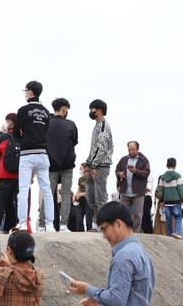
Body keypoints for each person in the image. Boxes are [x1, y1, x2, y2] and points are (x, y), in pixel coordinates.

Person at [14, 81, 54, 233]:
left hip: (27, 153)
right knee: (46, 189)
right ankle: (49, 224)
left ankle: (22, 223)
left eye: (25, 91)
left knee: (23, 189)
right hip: (43, 153)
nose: (25, 93)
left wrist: (23, 136)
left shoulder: (23, 110)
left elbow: (16, 132)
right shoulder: (46, 111)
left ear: (30, 92)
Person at [43, 97, 77, 232]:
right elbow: (74, 142)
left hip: (50, 164)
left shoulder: (47, 124)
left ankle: (44, 224)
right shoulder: (71, 124)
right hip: (67, 165)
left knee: (48, 194)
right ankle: (63, 225)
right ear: (64, 108)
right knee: (66, 194)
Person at [80, 99, 113, 228]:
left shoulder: (103, 125)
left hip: (101, 166)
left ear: (98, 110)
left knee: (100, 197)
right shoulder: (97, 125)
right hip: (93, 166)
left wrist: (93, 165)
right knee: (90, 196)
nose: (91, 112)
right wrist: (88, 164)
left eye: (92, 110)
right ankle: (98, 221)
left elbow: (101, 148)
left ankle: (104, 225)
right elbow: (93, 148)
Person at [113, 141, 149, 232]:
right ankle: (123, 231)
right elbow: (117, 170)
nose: (131, 151)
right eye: (129, 150)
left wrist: (135, 171)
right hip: (125, 191)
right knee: (121, 213)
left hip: (138, 192)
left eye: (133, 149)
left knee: (138, 214)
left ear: (138, 149)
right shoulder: (123, 159)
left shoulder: (144, 160)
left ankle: (135, 232)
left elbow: (146, 173)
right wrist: (119, 174)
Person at [0, 123, 19, 234]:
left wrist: (0, 132)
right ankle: (11, 226)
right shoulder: (22, 137)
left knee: (1, 201)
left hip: (5, 174)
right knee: (14, 201)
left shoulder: (4, 137)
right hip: (19, 174)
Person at [156, 159, 183, 238]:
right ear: (175, 165)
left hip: (167, 201)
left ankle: (169, 235)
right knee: (178, 217)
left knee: (168, 219)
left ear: (167, 165)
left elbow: (161, 190)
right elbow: (180, 188)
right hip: (176, 201)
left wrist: (162, 200)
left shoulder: (162, 177)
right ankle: (176, 232)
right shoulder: (177, 176)